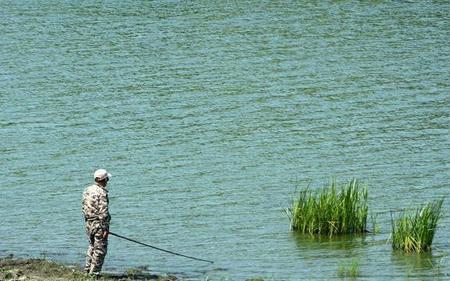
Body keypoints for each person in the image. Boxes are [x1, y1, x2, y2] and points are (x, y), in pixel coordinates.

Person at [82, 169, 112, 275]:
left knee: (92, 246)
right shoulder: (102, 193)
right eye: (107, 179)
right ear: (104, 179)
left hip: (89, 223)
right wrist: (105, 228)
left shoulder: (87, 190)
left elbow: (83, 207)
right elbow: (104, 213)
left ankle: (87, 270)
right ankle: (94, 274)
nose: (107, 181)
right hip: (99, 225)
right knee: (100, 249)